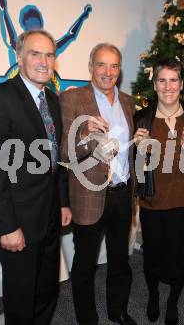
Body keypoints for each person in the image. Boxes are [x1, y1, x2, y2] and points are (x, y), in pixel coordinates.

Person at [0, 29, 71, 325]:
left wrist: (63, 202)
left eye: (49, 54)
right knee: (20, 298)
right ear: (18, 57)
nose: (43, 61)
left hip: (51, 217)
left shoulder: (52, 101)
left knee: (46, 292)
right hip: (19, 223)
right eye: (35, 53)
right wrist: (6, 226)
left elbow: (56, 159)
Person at [59, 43, 137, 325]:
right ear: (90, 67)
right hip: (89, 194)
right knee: (84, 265)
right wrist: (83, 131)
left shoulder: (128, 102)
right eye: (101, 65)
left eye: (114, 66)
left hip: (123, 193)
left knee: (120, 260)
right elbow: (64, 153)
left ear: (120, 70)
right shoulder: (72, 99)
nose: (108, 72)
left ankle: (118, 311)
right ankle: (87, 319)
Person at [133, 58, 184, 325]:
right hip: (153, 201)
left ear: (181, 84)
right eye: (162, 80)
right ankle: (152, 296)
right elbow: (136, 171)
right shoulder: (142, 119)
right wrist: (138, 153)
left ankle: (173, 301)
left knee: (179, 256)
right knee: (153, 256)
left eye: (174, 80)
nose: (168, 86)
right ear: (155, 84)